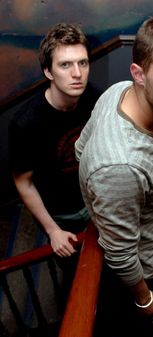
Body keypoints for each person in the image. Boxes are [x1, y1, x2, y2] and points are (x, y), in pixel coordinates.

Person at [75, 14, 153, 337]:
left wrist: (148, 189)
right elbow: (120, 254)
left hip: (148, 224)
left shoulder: (120, 91)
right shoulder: (120, 168)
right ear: (140, 74)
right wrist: (145, 299)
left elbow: (80, 147)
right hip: (143, 268)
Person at [9, 23, 100, 305]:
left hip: (96, 198)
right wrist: (52, 231)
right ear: (48, 72)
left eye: (82, 62)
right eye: (65, 65)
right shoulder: (26, 124)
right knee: (75, 274)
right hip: (62, 213)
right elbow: (23, 182)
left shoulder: (94, 99)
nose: (77, 74)